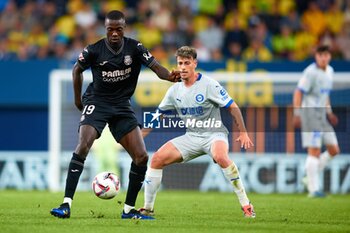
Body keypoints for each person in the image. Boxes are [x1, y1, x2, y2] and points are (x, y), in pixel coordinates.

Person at [50, 10, 179, 220]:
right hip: (97, 102)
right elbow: (76, 70)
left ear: (124, 28)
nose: (115, 34)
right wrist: (77, 101)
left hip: (121, 106)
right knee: (83, 145)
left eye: (119, 29)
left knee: (141, 156)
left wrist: (170, 77)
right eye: (111, 29)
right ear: (106, 29)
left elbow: (156, 67)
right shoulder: (94, 50)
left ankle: (128, 210)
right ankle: (65, 204)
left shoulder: (135, 48)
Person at [139, 46, 256, 218]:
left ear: (195, 64)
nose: (183, 67)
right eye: (180, 63)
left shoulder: (209, 84)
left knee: (221, 157)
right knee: (156, 159)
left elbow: (233, 107)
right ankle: (147, 209)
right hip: (192, 136)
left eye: (187, 63)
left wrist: (243, 132)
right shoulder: (174, 91)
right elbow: (157, 116)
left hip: (214, 134)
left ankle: (246, 205)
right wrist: (139, 138)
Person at [293, 45, 340, 197]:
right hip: (310, 114)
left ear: (329, 56)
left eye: (326, 55)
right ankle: (314, 190)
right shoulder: (310, 72)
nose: (323, 58)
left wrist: (329, 112)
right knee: (314, 151)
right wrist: (297, 113)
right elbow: (298, 92)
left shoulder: (330, 71)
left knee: (334, 150)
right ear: (316, 57)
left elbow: (324, 95)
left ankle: (309, 176)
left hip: (322, 115)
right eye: (320, 55)